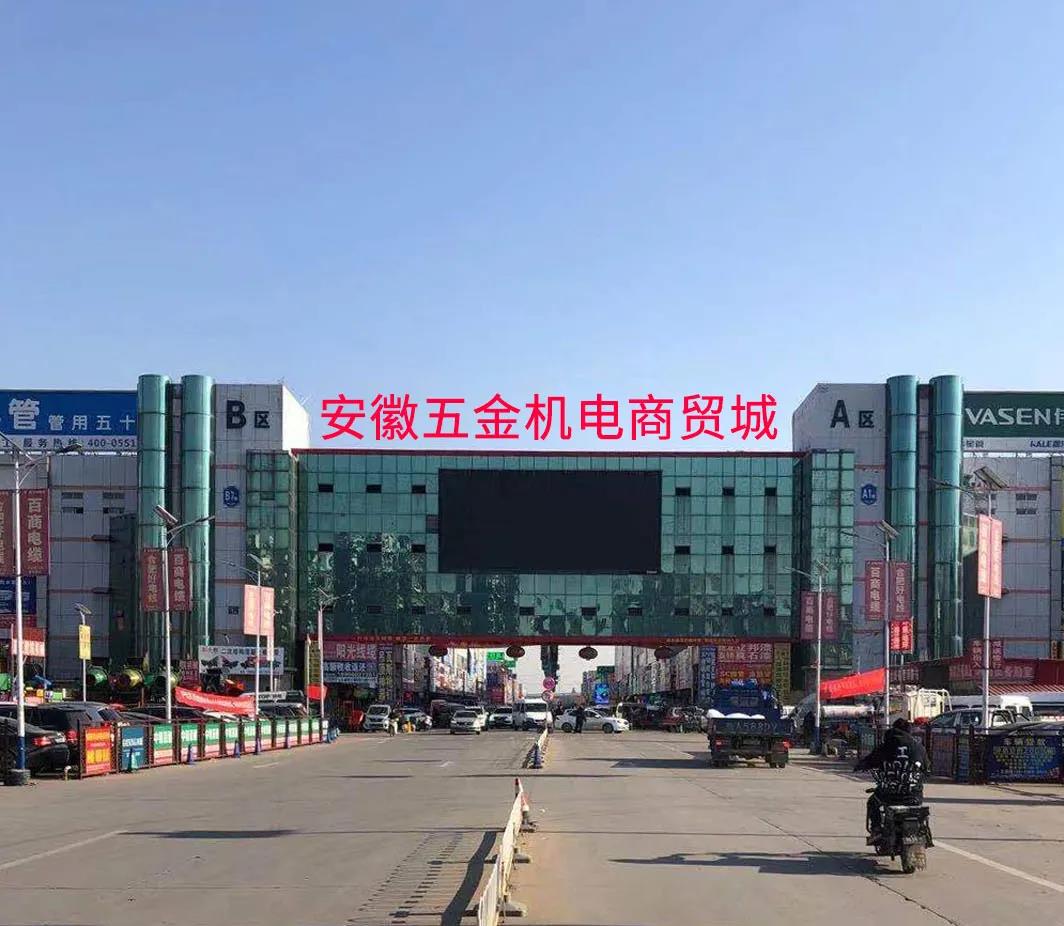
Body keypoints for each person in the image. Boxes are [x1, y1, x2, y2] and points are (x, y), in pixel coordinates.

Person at [854, 718, 928, 838]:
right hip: (913, 794)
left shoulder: (885, 746)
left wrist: (861, 766)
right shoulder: (918, 747)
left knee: (872, 802)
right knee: (918, 807)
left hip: (888, 794)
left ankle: (876, 829)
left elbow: (869, 761)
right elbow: (927, 768)